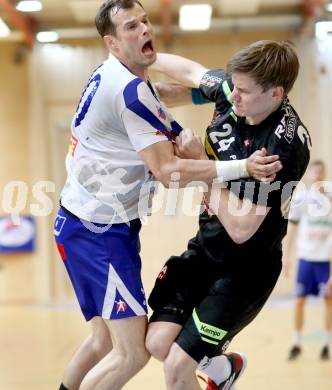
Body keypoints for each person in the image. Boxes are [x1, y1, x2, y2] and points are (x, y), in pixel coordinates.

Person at [53, 2, 280, 390]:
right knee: (133, 353)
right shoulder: (130, 96)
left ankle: (219, 368)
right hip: (100, 234)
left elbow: (161, 91)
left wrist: (212, 95)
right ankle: (220, 368)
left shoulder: (115, 75)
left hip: (76, 223)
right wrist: (240, 167)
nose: (143, 29)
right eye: (130, 27)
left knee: (103, 340)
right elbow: (169, 172)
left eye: (144, 21)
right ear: (111, 42)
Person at [145, 40, 312, 390]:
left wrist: (201, 166)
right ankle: (223, 369)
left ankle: (212, 368)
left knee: (177, 368)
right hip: (206, 249)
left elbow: (240, 227)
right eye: (233, 86)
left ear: (276, 93)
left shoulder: (283, 146)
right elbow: (190, 71)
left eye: (244, 91)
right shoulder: (235, 90)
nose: (232, 96)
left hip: (246, 271)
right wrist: (143, 57)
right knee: (157, 343)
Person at [283, 160, 332, 361]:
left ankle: (326, 344)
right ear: (310, 175)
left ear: (324, 175)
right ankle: (296, 343)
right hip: (306, 259)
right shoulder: (302, 199)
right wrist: (286, 255)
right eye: (314, 173)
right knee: (299, 301)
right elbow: (292, 229)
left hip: (325, 261)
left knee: (328, 301)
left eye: (321, 173)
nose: (317, 176)